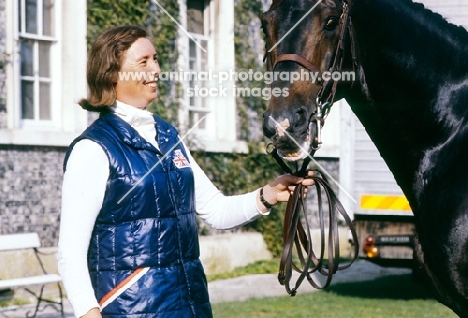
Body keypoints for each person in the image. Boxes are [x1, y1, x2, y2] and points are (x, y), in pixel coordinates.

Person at [57, 25, 314, 318]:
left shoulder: (169, 137)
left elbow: (216, 210)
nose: (155, 69)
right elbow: (70, 253)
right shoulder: (92, 149)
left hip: (190, 306)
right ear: (112, 73)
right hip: (130, 311)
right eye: (143, 62)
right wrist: (88, 312)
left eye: (155, 59)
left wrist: (268, 195)